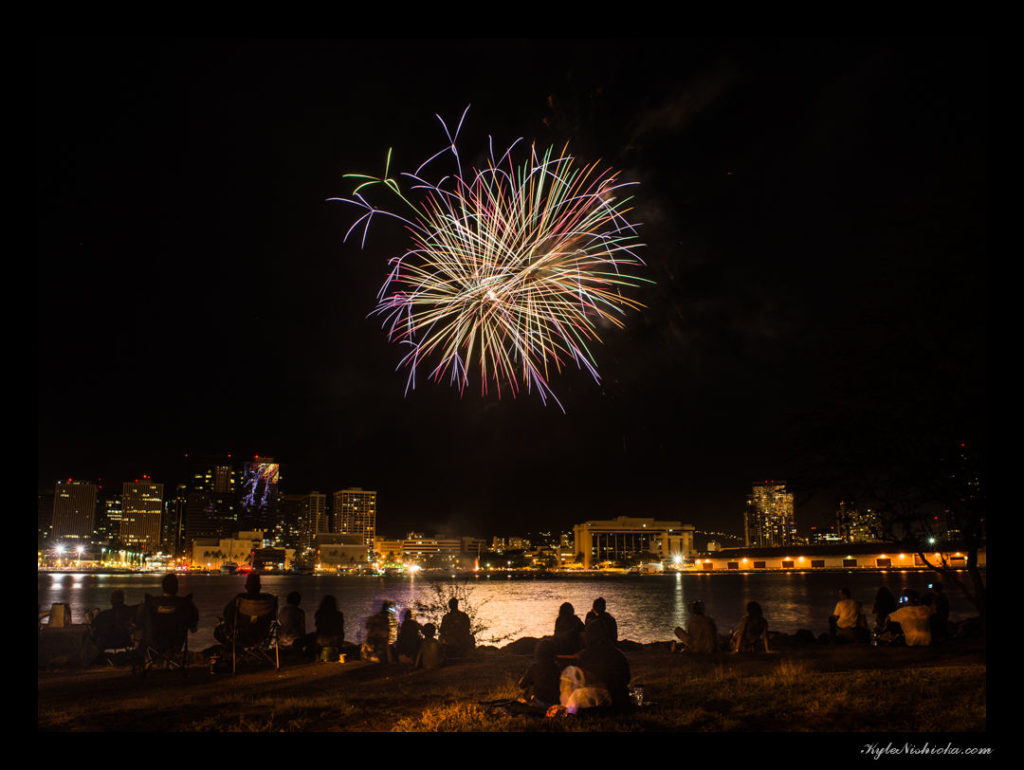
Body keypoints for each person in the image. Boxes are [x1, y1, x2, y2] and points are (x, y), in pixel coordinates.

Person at [574, 622, 632, 710]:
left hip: (595, 702)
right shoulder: (617, 654)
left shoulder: (585, 656)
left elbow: (579, 681)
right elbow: (627, 677)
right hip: (619, 700)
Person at [215, 572, 276, 645]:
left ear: (246, 586)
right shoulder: (269, 599)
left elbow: (227, 614)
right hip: (262, 635)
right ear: (260, 586)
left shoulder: (240, 599)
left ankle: (234, 649)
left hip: (242, 635)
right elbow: (273, 617)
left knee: (218, 631)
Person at [517, 638, 561, 708]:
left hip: (541, 703)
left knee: (529, 690)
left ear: (538, 651)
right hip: (557, 703)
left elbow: (521, 685)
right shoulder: (557, 667)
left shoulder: (535, 667)